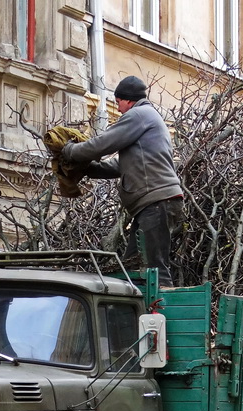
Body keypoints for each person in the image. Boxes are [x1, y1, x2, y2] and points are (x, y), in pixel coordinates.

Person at [60, 75, 184, 288]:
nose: (117, 109)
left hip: (156, 202)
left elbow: (103, 143)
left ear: (127, 100)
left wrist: (70, 151)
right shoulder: (147, 119)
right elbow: (120, 165)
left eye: (117, 103)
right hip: (154, 203)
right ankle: (140, 316)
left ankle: (164, 317)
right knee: (133, 268)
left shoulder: (139, 115)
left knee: (155, 271)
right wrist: (89, 169)